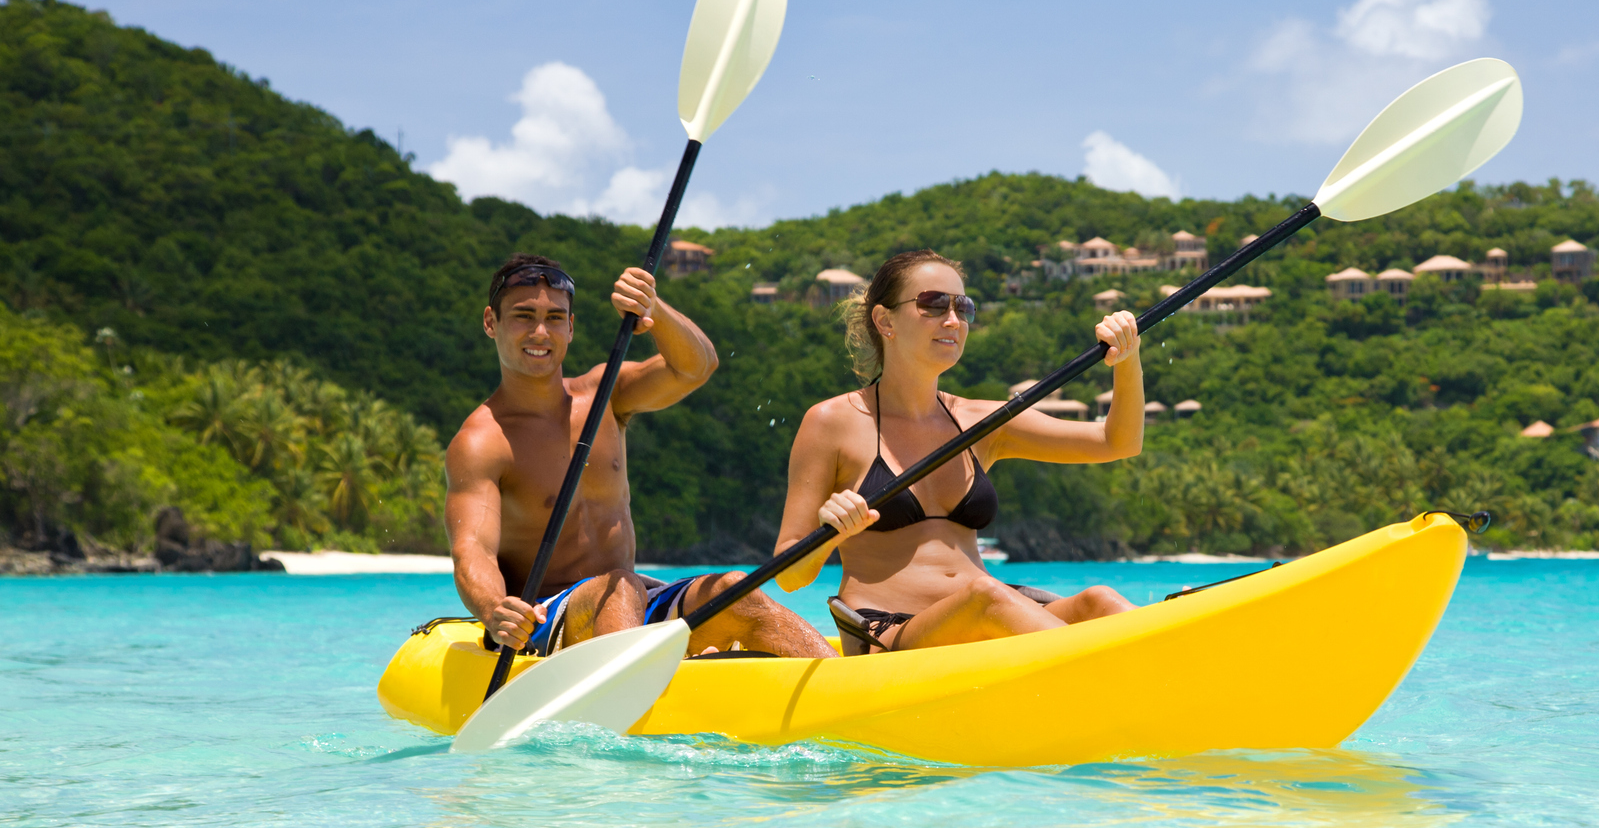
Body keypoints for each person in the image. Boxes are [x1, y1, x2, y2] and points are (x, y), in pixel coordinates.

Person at [445, 253, 833, 660]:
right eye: (524, 316)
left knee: (734, 589)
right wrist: (493, 608)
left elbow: (696, 368)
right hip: (543, 618)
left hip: (632, 601)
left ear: (571, 327)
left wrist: (654, 309)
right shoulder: (482, 441)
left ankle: (841, 686)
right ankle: (637, 692)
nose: (541, 332)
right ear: (491, 322)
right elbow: (472, 549)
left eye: (555, 317)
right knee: (620, 588)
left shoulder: (604, 394)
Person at [775, 249, 1140, 654]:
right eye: (932, 304)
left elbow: (1118, 442)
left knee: (1099, 600)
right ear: (885, 320)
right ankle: (1110, 671)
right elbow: (789, 575)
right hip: (893, 634)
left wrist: (1126, 358)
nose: (953, 320)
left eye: (962, 307)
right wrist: (828, 536)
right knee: (987, 596)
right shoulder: (831, 422)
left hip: (990, 613)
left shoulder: (981, 422)